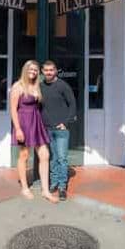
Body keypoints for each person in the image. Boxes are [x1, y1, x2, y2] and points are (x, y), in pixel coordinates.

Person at [10, 60, 59, 203]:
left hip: (36, 122)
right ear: (25, 70)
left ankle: (45, 190)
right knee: (24, 155)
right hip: (23, 123)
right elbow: (13, 109)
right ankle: (25, 188)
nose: (33, 72)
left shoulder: (37, 86)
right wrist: (18, 129)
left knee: (45, 154)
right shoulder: (18, 86)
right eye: (31, 69)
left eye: (36, 70)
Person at [40, 60, 77, 201]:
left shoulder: (63, 85)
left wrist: (66, 122)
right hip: (47, 128)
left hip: (61, 129)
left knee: (62, 158)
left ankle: (62, 187)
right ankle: (54, 182)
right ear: (43, 72)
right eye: (46, 70)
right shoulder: (41, 86)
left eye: (51, 70)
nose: (48, 72)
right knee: (53, 158)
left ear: (55, 71)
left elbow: (72, 104)